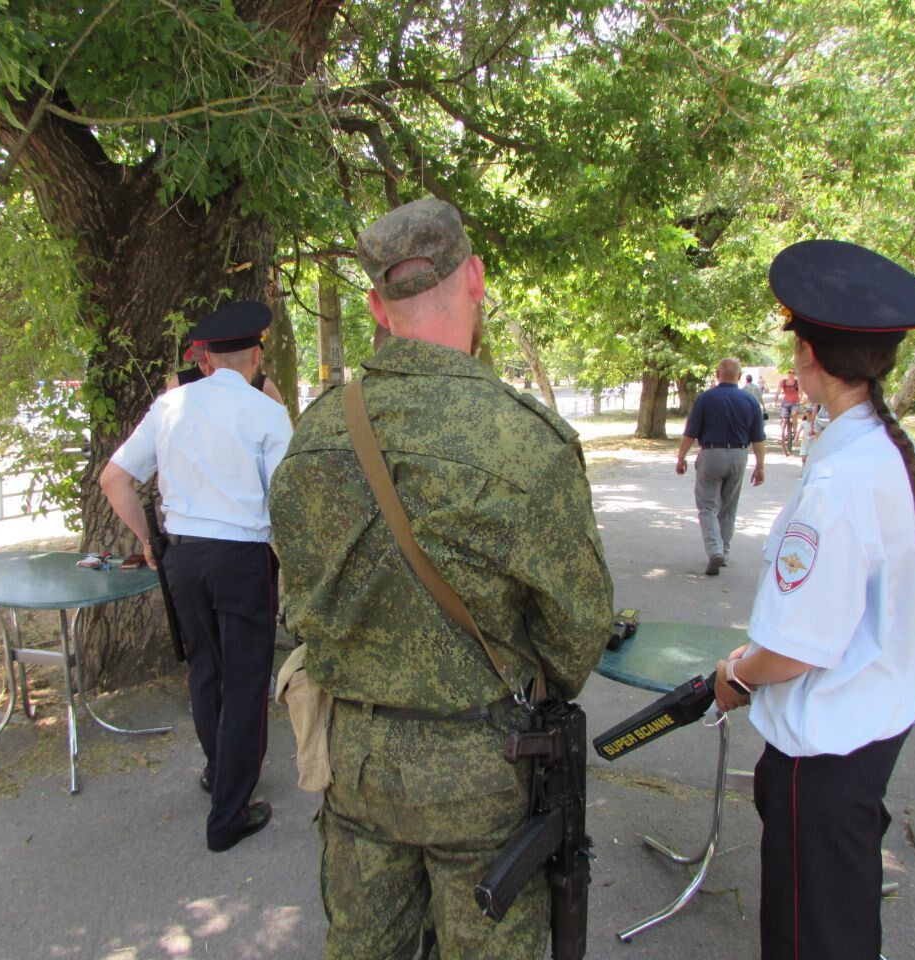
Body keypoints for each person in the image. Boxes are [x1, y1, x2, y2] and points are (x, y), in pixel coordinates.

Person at [269, 197, 613, 960]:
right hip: (484, 768)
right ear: (477, 278)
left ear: (375, 306)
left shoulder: (313, 438)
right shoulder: (526, 444)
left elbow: (301, 605)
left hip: (355, 761)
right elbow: (578, 632)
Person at [712, 239, 915, 960]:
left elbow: (794, 649)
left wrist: (736, 676)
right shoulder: (877, 449)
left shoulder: (840, 483)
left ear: (808, 355)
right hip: (867, 728)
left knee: (809, 937)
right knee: (840, 923)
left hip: (822, 756)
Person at [98, 300, 292, 852]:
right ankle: (228, 815)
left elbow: (115, 479)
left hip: (183, 556)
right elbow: (286, 499)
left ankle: (217, 770)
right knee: (248, 678)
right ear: (256, 357)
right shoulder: (266, 414)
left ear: (205, 360)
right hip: (241, 558)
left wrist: (148, 540)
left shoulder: (169, 406)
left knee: (206, 669)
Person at [675, 358, 766, 576]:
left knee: (707, 506)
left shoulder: (706, 399)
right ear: (740, 375)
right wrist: (760, 465)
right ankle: (724, 551)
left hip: (711, 454)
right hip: (738, 455)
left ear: (717, 374)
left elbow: (690, 432)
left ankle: (714, 550)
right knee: (729, 506)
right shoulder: (750, 400)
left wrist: (681, 457)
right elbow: (758, 437)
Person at [775, 367, 802, 444]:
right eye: (789, 372)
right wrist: (775, 400)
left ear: (795, 374)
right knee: (783, 417)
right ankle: (783, 433)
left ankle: (795, 433)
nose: (791, 374)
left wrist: (801, 399)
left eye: (793, 373)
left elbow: (800, 392)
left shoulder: (797, 382)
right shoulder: (783, 382)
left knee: (794, 415)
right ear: (787, 373)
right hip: (785, 402)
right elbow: (778, 392)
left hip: (795, 402)